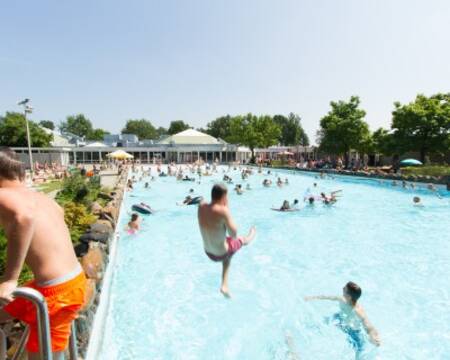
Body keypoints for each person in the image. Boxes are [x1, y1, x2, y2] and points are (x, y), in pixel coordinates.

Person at [0, 148, 86, 360]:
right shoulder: (40, 197)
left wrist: (10, 279)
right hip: (70, 281)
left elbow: (25, 218)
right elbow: (57, 216)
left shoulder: (4, 195)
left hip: (55, 293)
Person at [198, 184, 256, 298]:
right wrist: (226, 209)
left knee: (227, 249)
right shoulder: (223, 211)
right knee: (241, 240)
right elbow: (234, 235)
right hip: (220, 254)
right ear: (224, 197)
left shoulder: (201, 206)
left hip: (208, 252)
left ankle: (224, 284)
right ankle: (251, 234)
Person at [305, 282, 380, 353]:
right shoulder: (342, 299)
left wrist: (373, 337)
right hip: (339, 318)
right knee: (323, 322)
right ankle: (311, 328)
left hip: (352, 330)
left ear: (349, 296)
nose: (342, 288)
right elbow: (327, 297)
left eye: (344, 289)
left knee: (359, 350)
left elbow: (368, 326)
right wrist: (312, 297)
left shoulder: (358, 311)